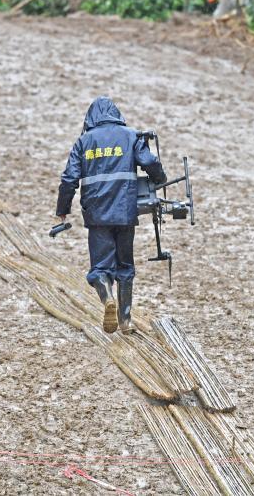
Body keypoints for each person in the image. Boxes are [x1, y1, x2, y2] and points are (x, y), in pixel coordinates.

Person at [56, 97, 166, 333]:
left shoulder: (84, 141)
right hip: (125, 212)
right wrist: (160, 179)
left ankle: (107, 296)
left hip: (97, 215)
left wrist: (62, 210)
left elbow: (69, 179)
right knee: (125, 266)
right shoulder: (130, 136)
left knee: (100, 268)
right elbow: (149, 161)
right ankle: (125, 321)